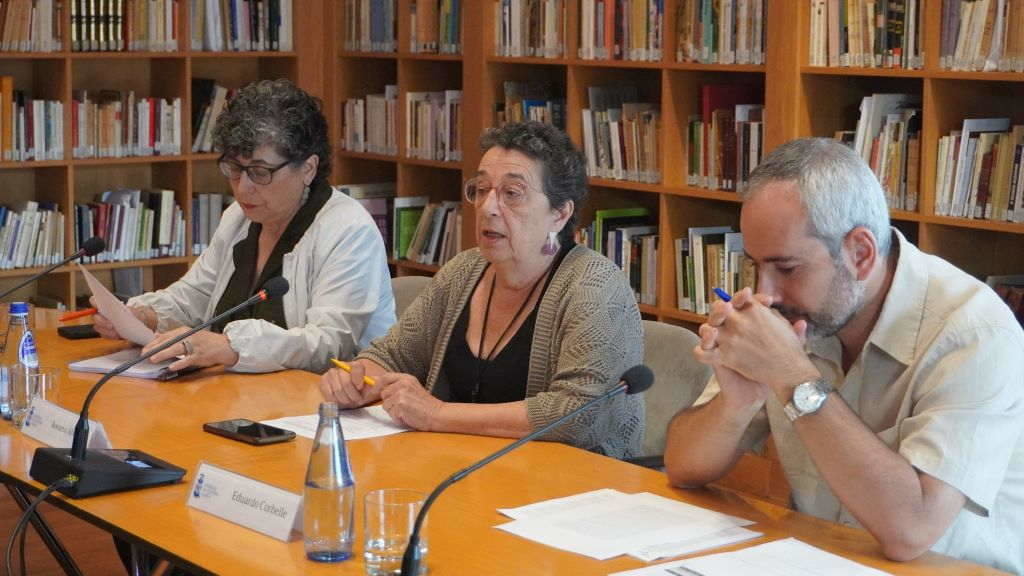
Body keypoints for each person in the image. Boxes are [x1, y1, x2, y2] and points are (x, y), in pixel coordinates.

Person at [664, 138, 1024, 572]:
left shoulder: (975, 332)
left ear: (860, 253)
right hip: (824, 559)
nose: (766, 293)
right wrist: (736, 403)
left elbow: (911, 531)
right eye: (755, 266)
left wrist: (795, 379)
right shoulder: (803, 314)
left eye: (787, 268)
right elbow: (683, 466)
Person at [319, 121, 644, 458]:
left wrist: (437, 414)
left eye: (511, 194)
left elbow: (577, 413)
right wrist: (357, 382)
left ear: (560, 214)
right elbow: (393, 355)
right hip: (461, 467)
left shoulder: (594, 286)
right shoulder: (464, 270)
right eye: (482, 189)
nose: (488, 207)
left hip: (568, 486)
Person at [92, 79, 395, 374]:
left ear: (308, 168)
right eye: (234, 169)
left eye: (260, 172)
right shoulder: (239, 216)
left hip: (320, 406)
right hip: (239, 397)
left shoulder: (348, 230)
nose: (242, 188)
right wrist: (145, 317)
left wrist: (230, 347)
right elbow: (195, 296)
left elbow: (330, 344)